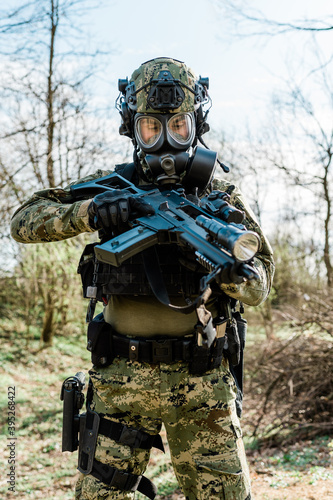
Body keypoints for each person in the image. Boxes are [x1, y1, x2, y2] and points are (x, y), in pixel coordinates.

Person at [11, 57, 274, 500]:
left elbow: (262, 282)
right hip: (120, 380)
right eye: (152, 127)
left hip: (202, 381)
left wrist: (233, 278)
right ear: (132, 128)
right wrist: (90, 212)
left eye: (179, 126)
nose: (166, 140)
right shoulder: (114, 185)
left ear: (198, 126)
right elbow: (24, 220)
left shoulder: (220, 198)